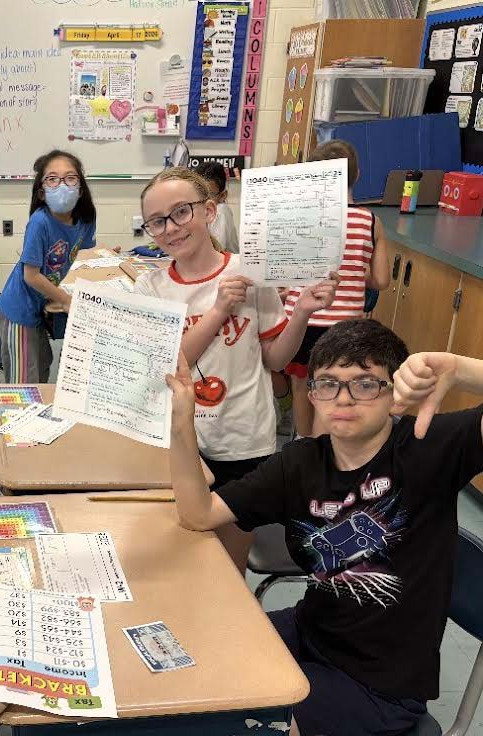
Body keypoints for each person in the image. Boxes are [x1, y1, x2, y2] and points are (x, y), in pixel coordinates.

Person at [165, 319, 483, 736]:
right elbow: (198, 514)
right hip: (310, 632)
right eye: (329, 384)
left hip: (380, 685)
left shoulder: (427, 449)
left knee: (233, 725)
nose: (343, 399)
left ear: (395, 392)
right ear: (310, 393)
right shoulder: (300, 462)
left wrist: (460, 369)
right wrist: (181, 423)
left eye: (364, 384)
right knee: (199, 659)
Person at [134, 166, 337, 575]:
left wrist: (301, 313)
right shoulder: (152, 288)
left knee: (228, 565)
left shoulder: (249, 273)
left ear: (208, 211)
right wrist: (219, 311)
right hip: (184, 443)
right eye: (157, 221)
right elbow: (171, 368)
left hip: (246, 442)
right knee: (183, 557)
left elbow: (276, 361)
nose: (171, 228)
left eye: (181, 212)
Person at [283, 139, 391, 437]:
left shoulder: (299, 216)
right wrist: (356, 272)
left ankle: (304, 445)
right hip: (344, 327)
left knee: (303, 382)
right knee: (331, 386)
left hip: (301, 321)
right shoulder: (370, 221)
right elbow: (381, 280)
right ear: (356, 176)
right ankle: (325, 447)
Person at [0, 149, 98, 383]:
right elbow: (30, 276)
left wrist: (104, 255)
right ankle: (20, 416)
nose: (62, 185)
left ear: (81, 187)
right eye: (52, 179)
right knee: (24, 380)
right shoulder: (40, 222)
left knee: (42, 365)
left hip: (42, 303)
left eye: (70, 178)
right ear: (42, 192)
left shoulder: (86, 218)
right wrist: (64, 299)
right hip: (19, 309)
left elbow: (84, 253)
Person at [194, 161, 238, 253]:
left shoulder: (221, 211)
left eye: (209, 195)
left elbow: (215, 250)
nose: (202, 200)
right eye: (198, 194)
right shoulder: (198, 212)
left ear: (222, 196)